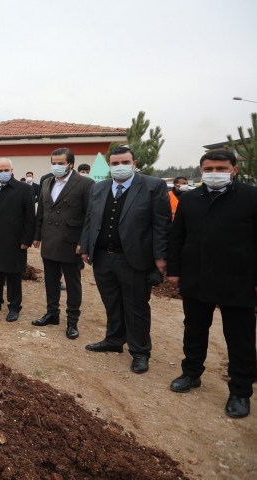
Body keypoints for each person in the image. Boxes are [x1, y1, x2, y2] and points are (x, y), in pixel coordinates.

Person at [166, 149, 257, 419]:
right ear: (201, 170)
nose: (214, 173)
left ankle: (240, 390)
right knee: (194, 329)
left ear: (234, 170)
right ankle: (191, 373)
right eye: (209, 168)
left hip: (239, 279)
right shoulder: (190, 198)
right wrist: (174, 270)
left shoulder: (251, 197)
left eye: (220, 168)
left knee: (240, 337)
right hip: (197, 276)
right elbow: (176, 237)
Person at [80, 145, 171, 374]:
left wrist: (160, 257)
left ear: (134, 163)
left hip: (133, 259)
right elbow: (90, 219)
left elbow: (161, 224)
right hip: (102, 257)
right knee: (111, 302)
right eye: (115, 163)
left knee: (136, 307)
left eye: (124, 162)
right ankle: (114, 340)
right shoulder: (99, 188)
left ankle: (140, 351)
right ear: (109, 165)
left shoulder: (152, 186)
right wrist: (85, 246)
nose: (119, 167)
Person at [31, 148, 95, 339]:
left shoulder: (85, 184)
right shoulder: (47, 182)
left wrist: (83, 242)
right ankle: (52, 314)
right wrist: (37, 236)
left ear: (71, 164)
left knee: (72, 284)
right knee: (51, 281)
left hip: (71, 242)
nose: (56, 166)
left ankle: (72, 321)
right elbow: (41, 212)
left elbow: (90, 215)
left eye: (60, 163)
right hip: (49, 239)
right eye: (54, 163)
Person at [0, 158, 35, 322]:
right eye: (0, 170)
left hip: (14, 241)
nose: (3, 173)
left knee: (13, 275)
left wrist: (26, 239)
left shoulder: (24, 189)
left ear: (12, 170)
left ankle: (14, 306)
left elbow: (30, 217)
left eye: (6, 170)